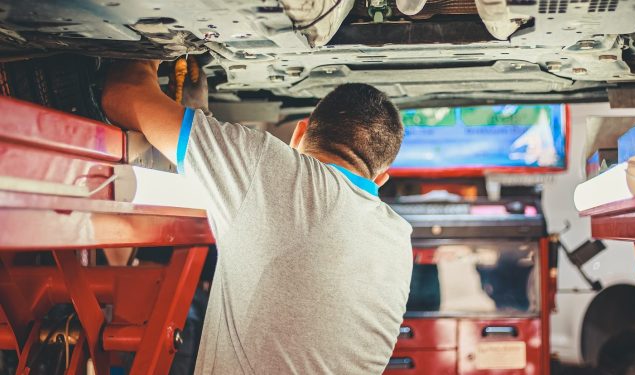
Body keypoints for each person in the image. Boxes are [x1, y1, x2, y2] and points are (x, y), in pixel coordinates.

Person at [102, 60, 413, 374]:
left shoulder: (275, 172)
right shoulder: (399, 241)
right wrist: (195, 123)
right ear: (380, 180)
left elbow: (122, 94)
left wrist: (151, 51)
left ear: (299, 132)